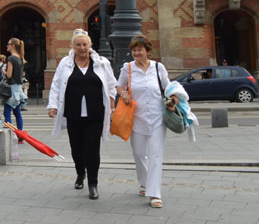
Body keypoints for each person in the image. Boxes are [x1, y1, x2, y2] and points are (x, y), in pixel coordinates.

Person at [47, 29, 117, 201]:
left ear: (90, 45)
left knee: (92, 149)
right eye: (78, 45)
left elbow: (111, 86)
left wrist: (112, 109)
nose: (82, 48)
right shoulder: (65, 63)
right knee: (76, 148)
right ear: (73, 46)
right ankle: (80, 173)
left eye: (85, 44)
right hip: (73, 113)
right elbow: (56, 85)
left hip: (96, 113)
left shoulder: (101, 63)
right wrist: (53, 106)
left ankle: (93, 183)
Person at [118, 36, 170, 209]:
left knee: (156, 155)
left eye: (140, 50)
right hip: (137, 118)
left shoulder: (158, 67)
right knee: (139, 154)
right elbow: (118, 86)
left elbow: (168, 87)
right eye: (134, 50)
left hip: (157, 117)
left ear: (148, 51)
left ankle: (155, 193)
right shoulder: (128, 68)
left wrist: (174, 98)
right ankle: (144, 181)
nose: (136, 53)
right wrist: (123, 93)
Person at [2, 38, 27, 136]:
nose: (7, 46)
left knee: (7, 112)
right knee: (17, 113)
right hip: (18, 88)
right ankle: (20, 136)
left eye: (8, 44)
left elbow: (9, 75)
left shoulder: (11, 58)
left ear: (12, 45)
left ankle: (9, 135)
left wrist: (3, 71)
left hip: (11, 89)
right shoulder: (20, 58)